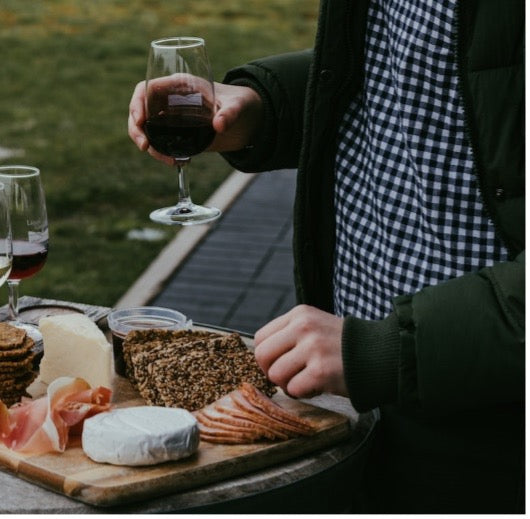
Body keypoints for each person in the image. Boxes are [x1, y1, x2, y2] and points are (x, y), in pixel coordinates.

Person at [129, 0, 524, 513]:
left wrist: (389, 349)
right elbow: (407, 80)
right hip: (354, 396)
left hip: (487, 423)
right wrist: (262, 104)